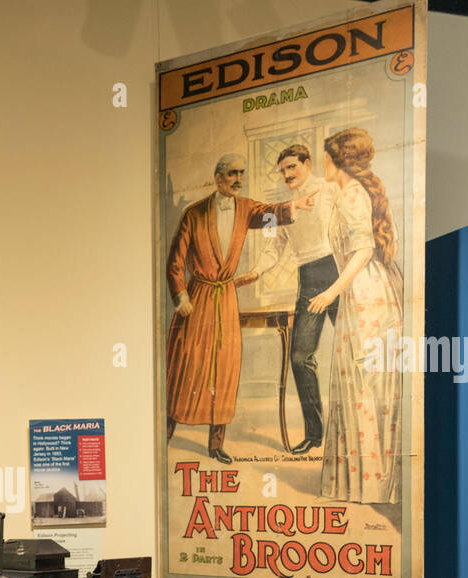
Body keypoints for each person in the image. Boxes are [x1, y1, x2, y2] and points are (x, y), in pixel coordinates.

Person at [165, 154, 312, 463]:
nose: (238, 179)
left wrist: (292, 208)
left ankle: (216, 444)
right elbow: (175, 260)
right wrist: (180, 296)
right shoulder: (193, 214)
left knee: (225, 368)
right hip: (198, 298)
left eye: (241, 174)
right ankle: (166, 429)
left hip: (225, 298)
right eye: (232, 174)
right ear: (218, 178)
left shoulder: (245, 209)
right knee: (186, 366)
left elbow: (269, 216)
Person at [307, 128, 404, 504]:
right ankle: (366, 483)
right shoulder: (354, 192)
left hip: (365, 294)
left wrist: (332, 291)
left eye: (327, 157)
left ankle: (371, 485)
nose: (324, 164)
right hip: (366, 292)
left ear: (339, 160)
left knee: (364, 386)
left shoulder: (351, 195)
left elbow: (362, 249)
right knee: (364, 385)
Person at [251, 144, 341, 454]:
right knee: (300, 357)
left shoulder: (330, 190)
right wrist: (255, 273)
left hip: (338, 270)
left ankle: (359, 437)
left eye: (292, 167)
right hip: (309, 279)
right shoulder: (284, 207)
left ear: (307, 163)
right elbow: (273, 248)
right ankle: (315, 436)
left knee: (354, 352)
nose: (287, 174)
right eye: (283, 170)